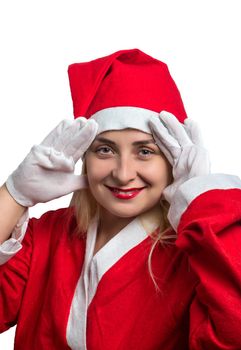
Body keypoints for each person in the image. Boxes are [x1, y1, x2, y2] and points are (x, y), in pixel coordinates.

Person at [0, 48, 241, 350]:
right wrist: (13, 194)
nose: (123, 174)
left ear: (172, 159)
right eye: (105, 150)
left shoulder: (194, 254)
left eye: (145, 151)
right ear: (84, 156)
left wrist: (202, 203)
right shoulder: (46, 237)